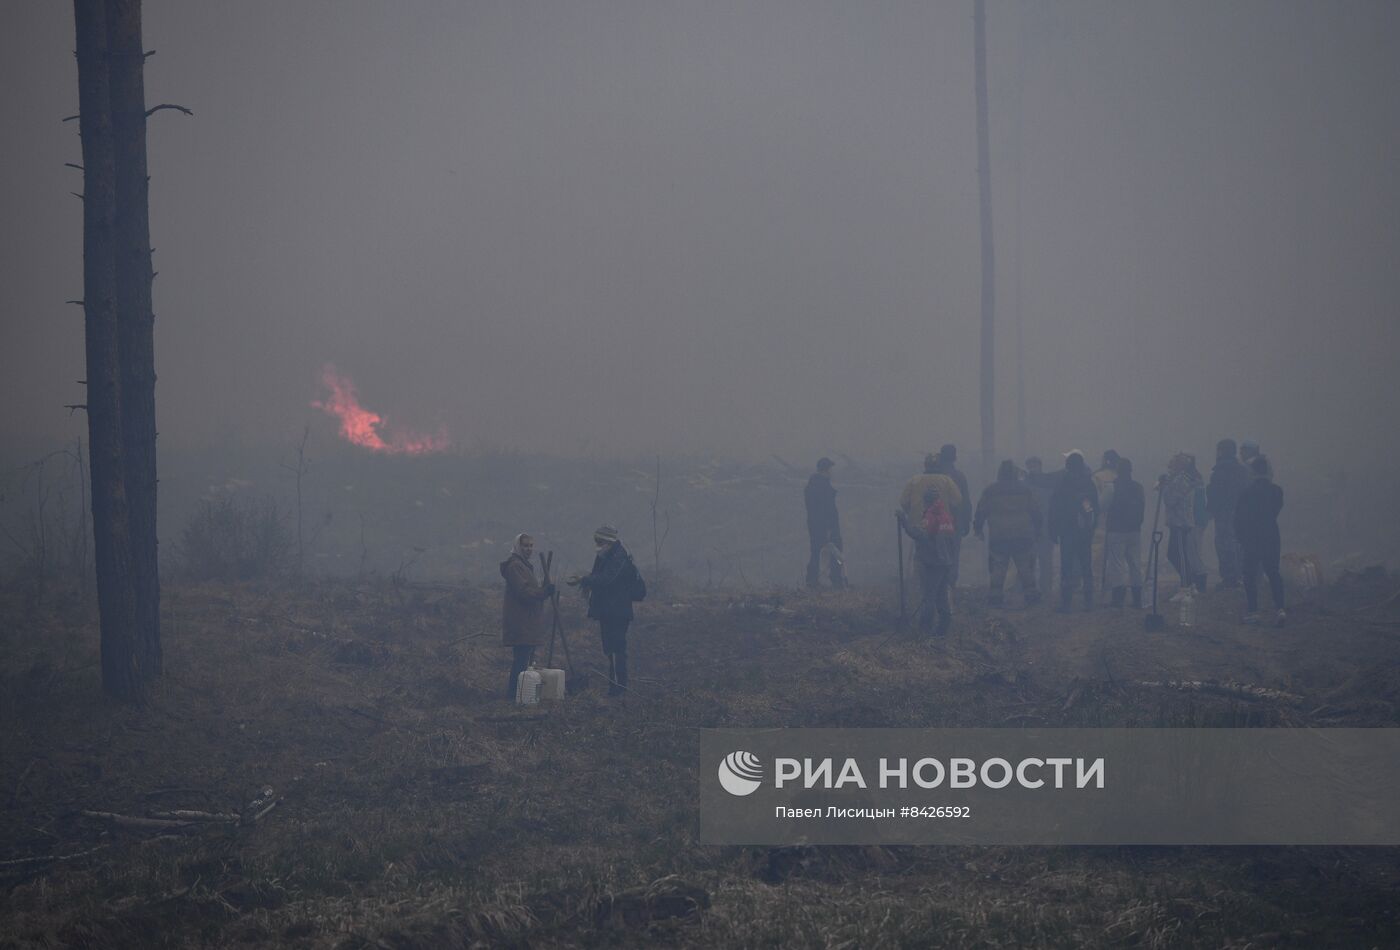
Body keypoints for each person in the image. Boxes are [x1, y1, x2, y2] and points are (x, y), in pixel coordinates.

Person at [573, 524, 639, 695]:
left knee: (617, 649)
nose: (598, 545)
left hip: (617, 611)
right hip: (608, 611)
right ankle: (614, 686)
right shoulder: (606, 556)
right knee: (610, 649)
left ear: (607, 541)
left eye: (600, 542)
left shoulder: (618, 557)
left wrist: (584, 580)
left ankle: (619, 688)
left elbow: (606, 579)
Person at [973, 460, 1042, 607]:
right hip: (1023, 535)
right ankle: (1031, 597)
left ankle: (995, 598)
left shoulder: (990, 491)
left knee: (998, 567)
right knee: (1025, 567)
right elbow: (1035, 511)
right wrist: (1038, 530)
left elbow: (981, 511)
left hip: (999, 536)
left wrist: (977, 529)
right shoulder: (1025, 490)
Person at [500, 533, 554, 700]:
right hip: (520, 621)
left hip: (528, 621)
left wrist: (544, 589)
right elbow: (524, 593)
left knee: (525, 660)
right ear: (518, 546)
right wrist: (544, 592)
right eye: (525, 546)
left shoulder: (524, 566)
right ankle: (514, 696)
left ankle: (521, 695)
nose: (529, 549)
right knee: (521, 661)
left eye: (531, 546)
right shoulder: (515, 566)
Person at [896, 486, 955, 636]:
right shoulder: (945, 515)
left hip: (933, 562)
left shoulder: (930, 515)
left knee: (929, 596)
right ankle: (943, 629)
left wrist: (904, 522)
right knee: (941, 595)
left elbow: (920, 534)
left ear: (926, 500)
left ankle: (924, 630)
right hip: (945, 561)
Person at [1234, 456, 1286, 626]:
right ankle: (1280, 609)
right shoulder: (1277, 491)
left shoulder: (1246, 493)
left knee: (1249, 575)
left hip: (1252, 538)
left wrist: (1240, 538)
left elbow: (1238, 518)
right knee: (1273, 572)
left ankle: (1253, 611)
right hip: (1271, 535)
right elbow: (1276, 510)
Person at [1049, 451, 1098, 612]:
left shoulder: (1062, 484)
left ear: (1068, 466)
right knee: (1086, 566)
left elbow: (1054, 509)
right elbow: (1095, 509)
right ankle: (1089, 602)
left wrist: (1053, 530)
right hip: (1084, 531)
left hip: (1067, 531)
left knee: (1067, 567)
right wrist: (1092, 528)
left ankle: (1066, 602)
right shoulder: (1088, 483)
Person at [1206, 439, 1252, 589]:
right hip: (1241, 512)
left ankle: (1229, 578)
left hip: (1224, 513)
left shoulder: (1219, 470)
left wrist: (1211, 510)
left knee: (1224, 544)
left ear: (1221, 451)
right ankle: (1241, 576)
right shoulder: (1242, 470)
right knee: (1238, 543)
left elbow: (1215, 493)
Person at [1162, 452, 1207, 592]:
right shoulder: (1177, 479)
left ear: (1180, 466)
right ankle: (1189, 582)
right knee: (1172, 553)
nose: (1169, 466)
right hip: (1177, 521)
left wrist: (1165, 487)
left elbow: (1171, 500)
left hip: (1181, 522)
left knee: (1180, 555)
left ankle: (1186, 587)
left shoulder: (1181, 480)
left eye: (1172, 463)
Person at [1103, 458, 1145, 608]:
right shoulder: (1138, 487)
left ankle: (1118, 598)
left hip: (1116, 530)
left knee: (1117, 564)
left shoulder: (1111, 487)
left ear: (1117, 471)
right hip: (1135, 530)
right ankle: (1137, 598)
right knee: (1135, 564)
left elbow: (1103, 506)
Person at [929, 444, 972, 586]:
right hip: (955, 523)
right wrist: (967, 522)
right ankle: (950, 586)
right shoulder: (959, 476)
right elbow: (965, 501)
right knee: (953, 554)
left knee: (934, 553)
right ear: (954, 458)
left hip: (933, 522)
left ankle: (936, 584)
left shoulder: (931, 474)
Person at [804, 457, 847, 588]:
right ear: (826, 470)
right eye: (831, 469)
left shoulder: (812, 485)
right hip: (827, 527)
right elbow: (826, 510)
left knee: (816, 552)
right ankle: (837, 580)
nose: (832, 472)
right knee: (836, 552)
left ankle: (812, 581)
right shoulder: (822, 486)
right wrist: (828, 528)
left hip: (814, 526)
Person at [1024, 456, 1059, 595]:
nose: (1033, 468)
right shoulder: (1025, 484)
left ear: (1040, 466)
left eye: (1035, 465)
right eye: (1030, 466)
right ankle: (1031, 588)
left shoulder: (1048, 483)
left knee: (1045, 560)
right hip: (1031, 527)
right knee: (1030, 559)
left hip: (1045, 527)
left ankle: (1046, 589)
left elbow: (1055, 506)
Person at [900, 454, 963, 522]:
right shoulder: (947, 480)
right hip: (942, 526)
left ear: (925, 465)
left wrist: (912, 512)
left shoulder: (914, 480)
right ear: (939, 465)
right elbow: (958, 500)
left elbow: (903, 502)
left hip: (917, 526)